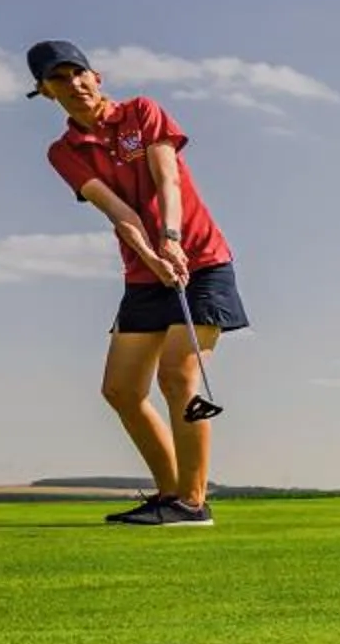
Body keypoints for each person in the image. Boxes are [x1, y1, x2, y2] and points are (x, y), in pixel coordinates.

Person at [26, 40, 250, 527]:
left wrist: (171, 240)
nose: (74, 84)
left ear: (97, 76)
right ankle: (171, 495)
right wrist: (151, 255)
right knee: (121, 390)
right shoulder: (64, 151)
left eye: (79, 73)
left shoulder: (142, 113)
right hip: (143, 276)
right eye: (59, 79)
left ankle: (192, 503)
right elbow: (117, 211)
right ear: (45, 92)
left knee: (177, 376)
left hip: (203, 263)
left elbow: (167, 179)